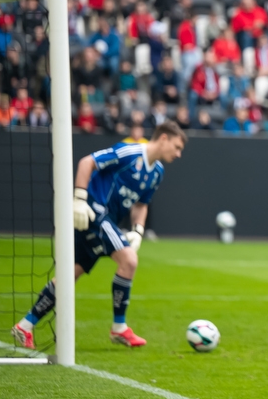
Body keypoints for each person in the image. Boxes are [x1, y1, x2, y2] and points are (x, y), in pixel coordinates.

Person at [12, 121, 186, 350]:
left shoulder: (157, 173)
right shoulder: (130, 152)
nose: (178, 154)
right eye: (176, 147)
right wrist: (80, 199)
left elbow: (142, 204)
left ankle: (25, 325)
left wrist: (138, 230)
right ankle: (119, 328)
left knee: (70, 274)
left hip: (107, 220)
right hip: (94, 212)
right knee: (129, 261)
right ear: (163, 139)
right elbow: (87, 162)